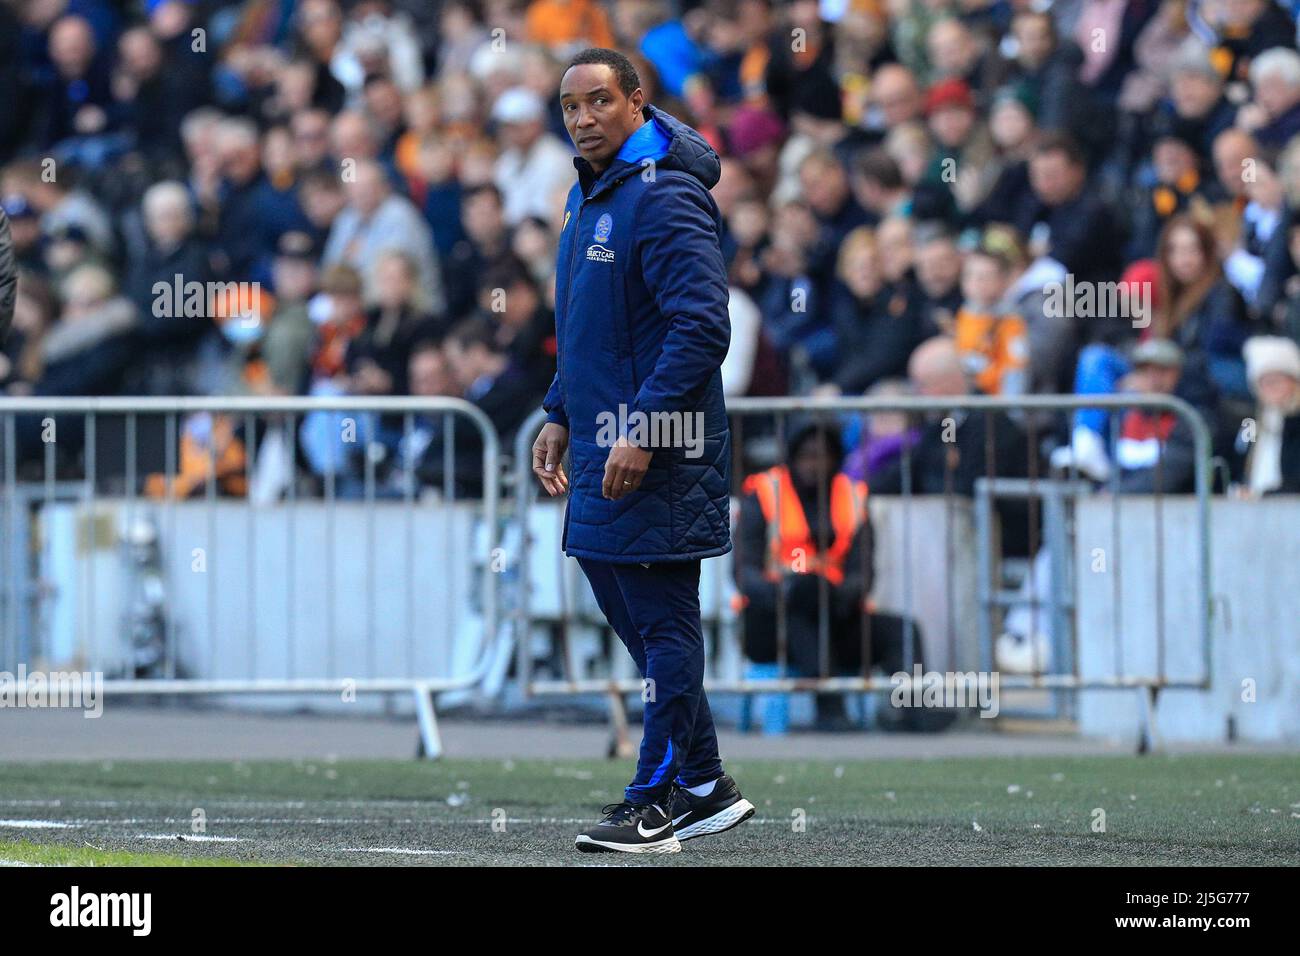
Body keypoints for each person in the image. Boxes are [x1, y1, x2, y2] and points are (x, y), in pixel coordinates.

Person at [531, 48, 752, 855]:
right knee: (635, 615)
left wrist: (643, 428)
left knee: (661, 624)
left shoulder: (664, 198)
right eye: (569, 106)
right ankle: (706, 784)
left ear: (635, 102)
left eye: (598, 102)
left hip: (656, 451)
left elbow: (703, 327)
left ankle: (654, 801)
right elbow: (591, 326)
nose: (583, 118)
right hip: (598, 443)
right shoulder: (586, 196)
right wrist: (558, 409)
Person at [732, 415, 930, 730]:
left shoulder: (852, 495)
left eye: (823, 456)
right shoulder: (764, 492)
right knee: (802, 599)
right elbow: (744, 573)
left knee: (903, 630)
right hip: (770, 622)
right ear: (792, 457)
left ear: (836, 458)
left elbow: (863, 574)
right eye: (807, 456)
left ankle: (915, 711)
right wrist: (786, 591)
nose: (815, 464)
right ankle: (830, 708)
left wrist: (834, 595)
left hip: (838, 614)